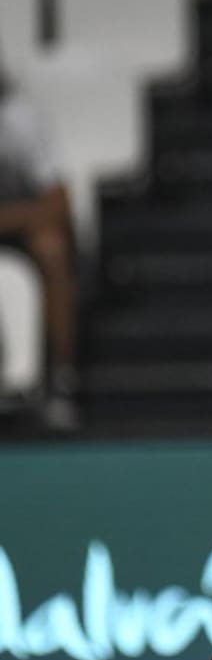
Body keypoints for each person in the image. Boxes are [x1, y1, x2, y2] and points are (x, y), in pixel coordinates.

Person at [0, 70, 81, 431]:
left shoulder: (19, 119)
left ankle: (61, 381)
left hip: (17, 231)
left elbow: (58, 204)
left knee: (51, 248)